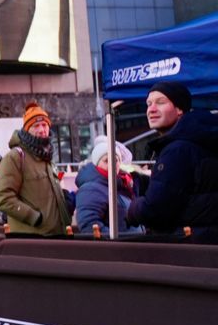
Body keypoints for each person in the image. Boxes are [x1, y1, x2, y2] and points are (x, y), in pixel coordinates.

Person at [126, 82, 218, 240]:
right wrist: (147, 182)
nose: (152, 109)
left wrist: (133, 209)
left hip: (185, 246)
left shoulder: (177, 149)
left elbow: (156, 209)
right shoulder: (200, 141)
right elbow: (189, 190)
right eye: (149, 104)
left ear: (179, 109)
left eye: (160, 102)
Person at [0, 102, 68, 237]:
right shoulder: (15, 157)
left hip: (57, 235)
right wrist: (33, 217)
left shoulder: (47, 156)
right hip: (33, 238)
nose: (41, 129)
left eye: (44, 125)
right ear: (27, 129)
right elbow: (1, 198)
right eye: (35, 126)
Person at [75, 136, 136, 236]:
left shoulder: (120, 185)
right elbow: (89, 224)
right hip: (118, 248)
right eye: (107, 160)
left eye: (116, 160)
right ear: (97, 163)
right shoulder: (91, 189)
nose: (112, 164)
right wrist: (115, 242)